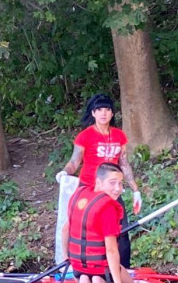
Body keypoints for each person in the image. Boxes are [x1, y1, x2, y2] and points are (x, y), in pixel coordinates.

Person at [56, 94, 141, 267]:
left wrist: (135, 190)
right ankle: (71, 263)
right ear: (93, 113)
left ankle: (122, 269)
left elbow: (124, 163)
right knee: (76, 225)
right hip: (88, 188)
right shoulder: (85, 136)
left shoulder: (119, 136)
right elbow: (74, 162)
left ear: (112, 114)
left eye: (107, 109)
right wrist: (64, 173)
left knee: (121, 231)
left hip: (112, 189)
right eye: (99, 110)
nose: (103, 113)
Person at [61, 162, 136, 283]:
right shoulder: (108, 207)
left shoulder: (79, 194)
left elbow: (65, 230)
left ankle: (84, 281)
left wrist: (66, 258)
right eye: (112, 183)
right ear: (99, 183)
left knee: (86, 272)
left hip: (77, 266)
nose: (117, 189)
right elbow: (111, 250)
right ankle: (101, 282)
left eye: (120, 183)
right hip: (100, 268)